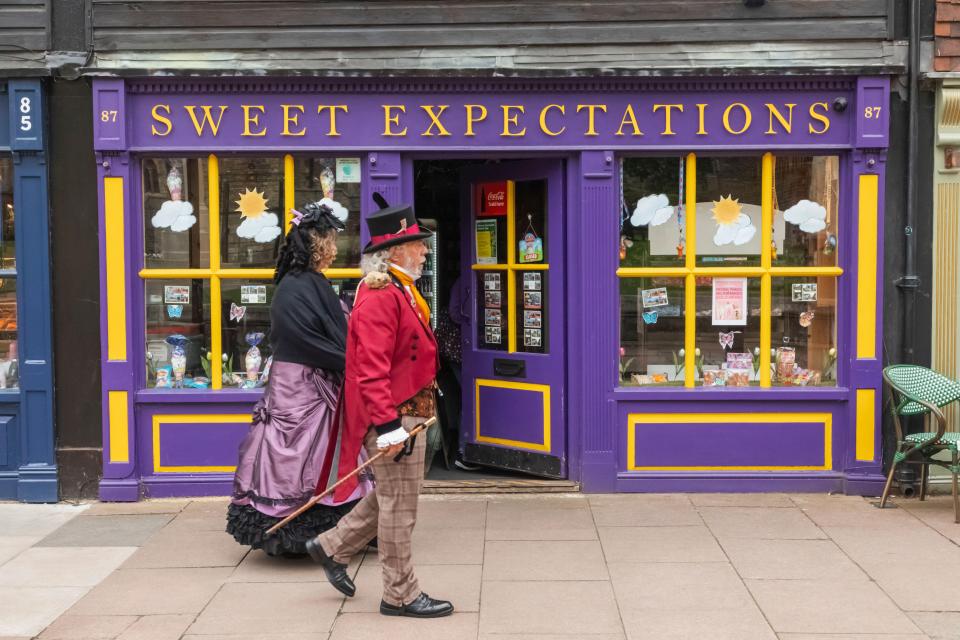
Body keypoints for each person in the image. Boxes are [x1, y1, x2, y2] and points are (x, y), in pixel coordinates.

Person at [305, 202, 454, 618]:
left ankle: (331, 546)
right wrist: (389, 426)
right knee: (400, 511)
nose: (424, 251)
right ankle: (400, 595)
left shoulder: (400, 288)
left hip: (410, 412)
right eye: (416, 245)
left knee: (393, 498)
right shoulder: (379, 294)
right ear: (394, 253)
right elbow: (369, 369)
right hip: (394, 417)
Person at [226, 202, 373, 557]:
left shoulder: (302, 283)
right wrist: (352, 362)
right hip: (304, 384)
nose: (336, 250)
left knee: (312, 454)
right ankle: (308, 534)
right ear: (315, 245)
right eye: (330, 242)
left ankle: (333, 529)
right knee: (313, 455)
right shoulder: (301, 287)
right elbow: (313, 339)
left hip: (299, 381)